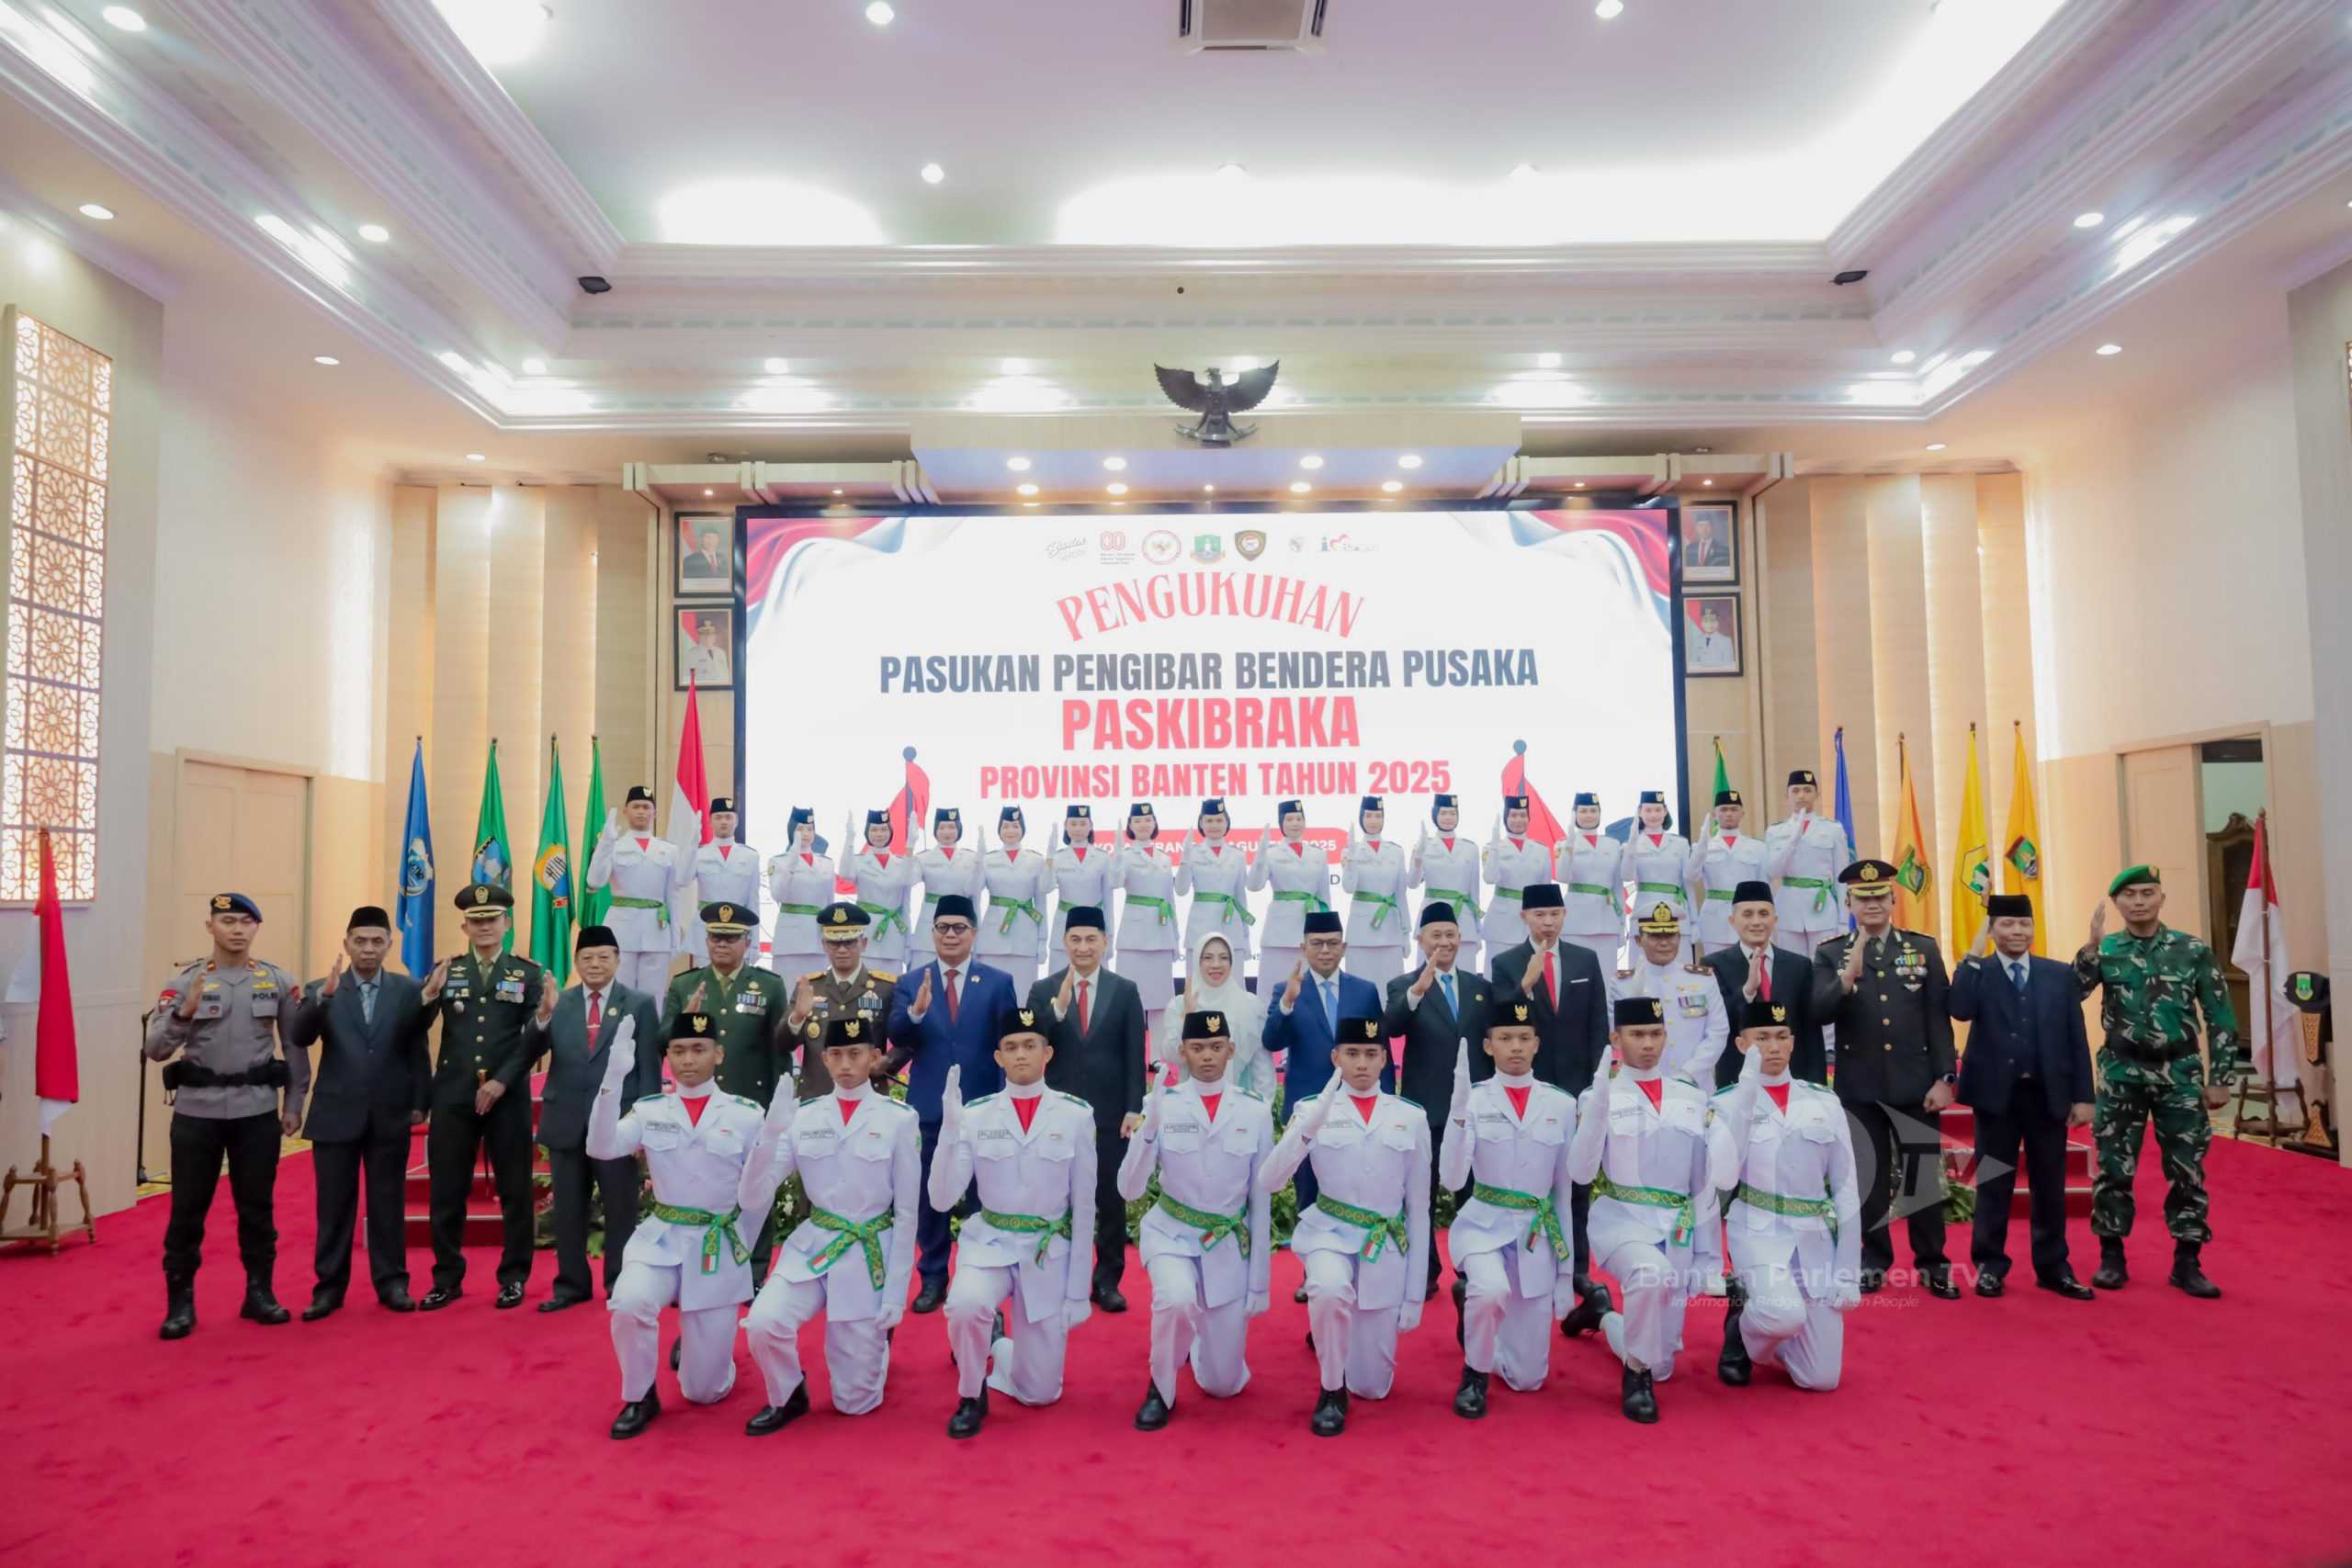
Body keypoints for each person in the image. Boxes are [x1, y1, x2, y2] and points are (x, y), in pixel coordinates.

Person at [739, 1015, 921, 1432]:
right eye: (836, 1055)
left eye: (855, 1054)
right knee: (764, 1323)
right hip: (814, 1247)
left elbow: (907, 1212)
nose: (845, 1064)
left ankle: (877, 1348)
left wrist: (896, 1293)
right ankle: (789, 1393)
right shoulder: (803, 1117)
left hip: (867, 1254)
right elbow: (752, 1196)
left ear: (874, 1057)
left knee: (855, 1402)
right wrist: (769, 1136)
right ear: (823, 1059)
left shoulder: (899, 1119)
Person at [592, 1011, 765, 1439]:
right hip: (663, 1238)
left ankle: (703, 1348)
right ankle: (640, 1394)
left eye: (699, 1049)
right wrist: (613, 1078)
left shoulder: (746, 1115)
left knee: (704, 1391)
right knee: (629, 1302)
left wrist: (742, 1249)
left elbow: (758, 1195)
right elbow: (601, 1146)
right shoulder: (650, 1110)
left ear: (718, 1054)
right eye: (679, 1050)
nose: (688, 1060)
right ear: (668, 1057)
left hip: (716, 1244)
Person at [146, 892, 311, 1338]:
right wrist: (184, 1013)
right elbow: (155, 1048)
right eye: (227, 921)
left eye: (245, 922)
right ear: (210, 927)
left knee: (257, 1209)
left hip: (255, 1111)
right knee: (187, 1210)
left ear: (256, 928)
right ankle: (180, 1304)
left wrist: (294, 1103)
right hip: (196, 1113)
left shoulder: (276, 980)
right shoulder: (185, 982)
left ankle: (260, 1294)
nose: (237, 930)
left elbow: (294, 1046)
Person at [1258, 1016, 1430, 1437]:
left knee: (1373, 1387)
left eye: (1371, 1054)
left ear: (1386, 1059)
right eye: (1352, 1053)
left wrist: (1414, 1295)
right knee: (1329, 1289)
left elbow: (1419, 1207)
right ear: (1336, 1057)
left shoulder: (1410, 1117)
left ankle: (1333, 1335)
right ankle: (1331, 1389)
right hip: (1329, 1233)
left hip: (1383, 1244)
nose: (1362, 1063)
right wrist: (1307, 1128)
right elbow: (1269, 1181)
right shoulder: (1312, 1109)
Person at [929, 1015, 1098, 1438]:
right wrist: (948, 1133)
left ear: (1048, 1053)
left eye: (1030, 1045)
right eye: (1011, 1047)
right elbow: (942, 1199)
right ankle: (972, 1393)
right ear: (998, 1057)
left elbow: (1084, 1206)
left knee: (1040, 1393)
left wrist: (1079, 1290)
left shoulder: (1076, 1115)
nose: (1021, 1054)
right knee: (965, 1305)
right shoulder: (975, 1115)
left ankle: (998, 1344)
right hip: (991, 1242)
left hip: (1045, 1251)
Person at [2075, 864, 2239, 1298]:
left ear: (2162, 898)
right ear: (2117, 903)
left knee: (2187, 1169)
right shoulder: (2107, 949)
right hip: (2121, 1072)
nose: (2139, 901)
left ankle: (2187, 1261)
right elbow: (2071, 993)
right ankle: (2111, 1256)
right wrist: (2089, 949)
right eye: (2130, 895)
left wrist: (2221, 1077)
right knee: (2113, 1167)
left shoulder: (2192, 949)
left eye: (2148, 893)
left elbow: (2220, 1014)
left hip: (2179, 1074)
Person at [1118, 1010, 1275, 1430]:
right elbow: (1129, 1190)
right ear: (1183, 1053)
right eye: (1198, 1047)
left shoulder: (1255, 1112)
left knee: (1224, 1384)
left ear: (1231, 1050)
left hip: (1225, 1242)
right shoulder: (1162, 1105)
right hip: (1171, 1233)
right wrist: (1147, 1132)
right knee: (1176, 1299)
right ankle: (1161, 1386)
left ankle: (1197, 1344)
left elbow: (1260, 1200)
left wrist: (1259, 1281)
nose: (1207, 1056)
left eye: (1216, 1047)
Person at [1568, 996, 1721, 1423]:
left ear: (1666, 1036)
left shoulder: (1691, 1097)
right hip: (1623, 1219)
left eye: (1655, 1033)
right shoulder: (1597, 1096)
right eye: (1637, 1034)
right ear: (1616, 1039)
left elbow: (1702, 1182)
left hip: (1677, 1227)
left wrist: (1709, 1256)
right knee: (1650, 1275)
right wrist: (1597, 1111)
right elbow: (1580, 1173)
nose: (1648, 1044)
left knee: (1663, 1361)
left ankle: (1602, 1316)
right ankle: (1636, 1378)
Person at [1812, 858, 1958, 1298]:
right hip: (1860, 1084)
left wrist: (1945, 1077)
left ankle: (1932, 1263)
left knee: (1923, 1178)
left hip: (1917, 1083)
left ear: (1893, 899)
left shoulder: (1922, 948)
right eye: (1863, 898)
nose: (1872, 904)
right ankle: (1874, 1261)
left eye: (1879, 896)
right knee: (1868, 1181)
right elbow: (1818, 1011)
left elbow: (1938, 1019)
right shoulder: (1830, 953)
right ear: (1849, 903)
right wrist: (1847, 977)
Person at [1710, 998, 1860, 1393]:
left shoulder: (1824, 1102)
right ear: (1742, 1044)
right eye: (1762, 1038)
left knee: (1821, 1379)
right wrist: (1745, 1096)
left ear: (1793, 1042)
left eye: (1781, 1037)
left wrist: (1847, 1272)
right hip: (1758, 1230)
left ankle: (1768, 1324)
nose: (1773, 1047)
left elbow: (1846, 1189)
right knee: (1784, 1316)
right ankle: (1744, 1331)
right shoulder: (1725, 1104)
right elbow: (1723, 1177)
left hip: (1814, 1237)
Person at [288, 904, 432, 1319]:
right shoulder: (322, 987)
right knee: (334, 1207)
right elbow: (300, 1035)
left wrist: (421, 1101)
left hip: (391, 1112)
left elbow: (418, 1049)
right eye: (360, 941)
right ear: (346, 943)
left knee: (388, 1203)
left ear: (389, 944)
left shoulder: (408, 990)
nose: (368, 949)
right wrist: (324, 999)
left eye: (377, 941)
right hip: (335, 1114)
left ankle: (392, 1283)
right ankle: (329, 1289)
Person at [1951, 894, 2095, 1300]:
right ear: (1992, 929)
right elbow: (1959, 1009)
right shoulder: (1979, 971)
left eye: (2024, 924)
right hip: (1996, 1096)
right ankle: (1989, 1266)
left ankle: (2053, 1266)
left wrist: (2084, 1095)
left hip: (2047, 1094)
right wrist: (1973, 952)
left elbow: (2076, 1036)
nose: (2017, 931)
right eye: (2007, 924)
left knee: (2050, 1184)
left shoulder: (2058, 974)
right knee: (1994, 1182)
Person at [422, 883, 557, 1312]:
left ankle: (514, 1277)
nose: (484, 927)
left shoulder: (527, 973)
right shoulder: (448, 970)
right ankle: (446, 1278)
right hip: (454, 1095)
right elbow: (416, 1025)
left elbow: (534, 1041)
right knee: (446, 1191)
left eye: (492, 919)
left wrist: (501, 1081)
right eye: (476, 920)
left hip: (507, 1095)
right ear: (465, 926)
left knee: (515, 1191)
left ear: (507, 923)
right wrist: (428, 996)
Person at [1439, 1004, 1577, 1418]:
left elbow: (1563, 1193)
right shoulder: (1474, 1099)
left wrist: (1566, 1276)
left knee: (1527, 1378)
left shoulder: (1561, 1104)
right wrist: (1457, 1116)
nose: (1515, 1047)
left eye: (1523, 1038)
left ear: (1536, 1044)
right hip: (1483, 1224)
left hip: (1536, 1234)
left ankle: (1475, 1321)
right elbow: (1452, 1180)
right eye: (1505, 1039)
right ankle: (1474, 1373)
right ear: (1489, 1046)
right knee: (1491, 1290)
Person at [884, 893, 1018, 1313]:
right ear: (933, 933)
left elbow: (1008, 1044)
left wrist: (1005, 1103)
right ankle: (933, 1277)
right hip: (930, 1107)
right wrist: (917, 1012)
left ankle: (980, 1273)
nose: (951, 935)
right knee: (931, 1197)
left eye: (959, 928)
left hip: (982, 1108)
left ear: (974, 933)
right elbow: (897, 1034)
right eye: (943, 928)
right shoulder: (912, 982)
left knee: (983, 1196)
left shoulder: (998, 982)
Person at [537, 924, 664, 1313]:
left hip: (618, 1123)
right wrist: (542, 1017)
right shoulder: (558, 1002)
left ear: (618, 960)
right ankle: (571, 1285)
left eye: (604, 957)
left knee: (621, 1208)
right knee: (568, 1209)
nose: (595, 964)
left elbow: (649, 1066)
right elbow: (531, 1050)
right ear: (576, 962)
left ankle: (620, 1284)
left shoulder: (639, 1003)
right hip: (566, 1119)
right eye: (587, 958)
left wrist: (644, 1123)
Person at [1029, 907, 1148, 1312]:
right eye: (1075, 939)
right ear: (1064, 943)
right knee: (1057, 1198)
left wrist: (1134, 1107)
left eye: (1091, 939)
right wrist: (1058, 1010)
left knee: (1110, 1201)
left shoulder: (1124, 990)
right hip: (1057, 1115)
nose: (1083, 947)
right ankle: (1059, 1275)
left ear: (1105, 942)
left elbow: (1134, 1054)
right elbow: (1031, 1046)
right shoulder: (1043, 990)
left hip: (1110, 1116)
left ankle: (1107, 1280)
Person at [662, 902, 789, 1279]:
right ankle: (696, 1269)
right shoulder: (685, 984)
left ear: (747, 942)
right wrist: (684, 1017)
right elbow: (660, 1040)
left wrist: (779, 1106)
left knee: (754, 1189)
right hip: (697, 1106)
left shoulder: (769, 985)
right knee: (698, 1187)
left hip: (750, 1103)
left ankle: (754, 1271)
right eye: (716, 937)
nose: (722, 944)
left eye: (731, 938)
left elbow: (779, 1049)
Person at [1613, 900, 1731, 1294]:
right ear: (1638, 938)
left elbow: (1718, 1032)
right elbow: (1614, 1037)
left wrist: (1686, 1077)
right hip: (1642, 1094)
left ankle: (1710, 1263)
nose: (1664, 942)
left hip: (1693, 1093)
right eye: (1655, 935)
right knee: (1651, 1172)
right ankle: (1651, 1248)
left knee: (1703, 1177)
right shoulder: (1623, 982)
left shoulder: (1702, 979)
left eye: (1671, 935)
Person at [1383, 903, 1494, 1296]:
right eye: (1436, 935)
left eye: (1450, 935)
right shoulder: (1403, 985)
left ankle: (1471, 1264)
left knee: (1473, 1194)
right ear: (1420, 940)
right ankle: (1425, 1270)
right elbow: (1392, 1027)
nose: (1444, 942)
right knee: (1422, 1196)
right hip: (1425, 1107)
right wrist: (1418, 991)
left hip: (1472, 1110)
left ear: (1460, 938)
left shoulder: (1481, 988)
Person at [1263, 909, 1388, 1235]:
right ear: (1303, 948)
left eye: (1333, 943)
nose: (1325, 950)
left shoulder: (1364, 991)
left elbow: (1380, 1048)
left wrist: (1387, 1102)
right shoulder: (1286, 989)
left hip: (1357, 1106)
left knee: (1357, 1187)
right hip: (1308, 1108)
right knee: (1309, 1195)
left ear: (1344, 948)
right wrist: (1287, 1003)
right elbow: (1271, 1040)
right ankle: (1312, 1262)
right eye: (1317, 943)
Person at [1487, 882, 1611, 1095]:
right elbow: (1501, 1019)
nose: (1548, 922)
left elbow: (1598, 1022)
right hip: (1531, 1075)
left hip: (1579, 1075)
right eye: (1539, 915)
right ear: (1524, 916)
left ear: (1565, 913)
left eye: (1555, 914)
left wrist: (1599, 1076)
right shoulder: (1505, 963)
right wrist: (1526, 984)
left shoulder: (1585, 959)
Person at [1703, 881, 1826, 1086]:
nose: (1756, 922)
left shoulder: (1799, 965)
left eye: (1763, 914)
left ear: (1775, 919)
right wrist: (1747, 991)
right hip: (1739, 1078)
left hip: (1792, 1079)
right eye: (1747, 914)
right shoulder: (1714, 965)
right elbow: (1718, 1023)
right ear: (1732, 921)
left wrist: (1817, 1084)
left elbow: (1810, 1032)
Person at [585, 785, 690, 995]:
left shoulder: (669, 850)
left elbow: (673, 895)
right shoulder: (614, 845)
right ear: (626, 811)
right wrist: (605, 844)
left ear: (654, 812)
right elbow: (595, 881)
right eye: (636, 806)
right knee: (620, 993)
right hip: (621, 929)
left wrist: (675, 936)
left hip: (656, 930)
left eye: (646, 807)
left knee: (653, 996)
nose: (641, 811)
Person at [782, 902, 894, 1097]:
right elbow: (782, 1044)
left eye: (850, 942)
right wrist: (797, 1017)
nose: (842, 950)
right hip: (817, 1096)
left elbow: (905, 1041)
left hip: (868, 1096)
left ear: (864, 943)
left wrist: (888, 1061)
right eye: (834, 943)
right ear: (824, 944)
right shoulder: (809, 987)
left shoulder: (885, 988)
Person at [1154, 931, 1272, 1099]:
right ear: (1197, 961)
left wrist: (1263, 1106)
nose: (1216, 965)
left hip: (1241, 1104)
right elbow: (1171, 1055)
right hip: (1191, 1104)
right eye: (1208, 958)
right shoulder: (1180, 1004)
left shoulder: (1251, 1005)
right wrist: (1187, 1016)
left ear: (1232, 962)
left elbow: (1262, 1066)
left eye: (1223, 958)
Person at [1763, 770, 1853, 959]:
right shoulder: (1776, 831)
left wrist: (1843, 920)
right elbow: (1771, 872)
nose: (1801, 795)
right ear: (1786, 795)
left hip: (1822, 908)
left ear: (1817, 794)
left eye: (1807, 790)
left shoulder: (1833, 829)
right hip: (1788, 908)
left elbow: (1842, 877)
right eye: (1795, 790)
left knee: (1823, 963)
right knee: (1791, 965)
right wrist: (1792, 842)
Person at [1251, 797, 1330, 987]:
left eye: (1299, 818)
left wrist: (1328, 931)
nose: (1295, 823)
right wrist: (1260, 857)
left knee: (1311, 986)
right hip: (1280, 931)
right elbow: (1254, 885)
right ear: (1281, 823)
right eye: (1289, 819)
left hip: (1311, 928)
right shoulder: (1271, 853)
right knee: (1275, 985)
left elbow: (1324, 896)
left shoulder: (1318, 854)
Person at [1113, 803, 1181, 1010]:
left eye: (1148, 819)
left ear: (1155, 823)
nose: (1143, 824)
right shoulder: (1125, 856)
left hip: (1161, 933)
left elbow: (1169, 899)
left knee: (1162, 1001)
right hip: (1134, 937)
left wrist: (1175, 937)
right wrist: (1116, 858)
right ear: (1130, 825)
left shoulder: (1165, 858)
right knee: (1129, 1001)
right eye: (1138, 820)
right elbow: (1115, 882)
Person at [1410, 793, 1487, 974]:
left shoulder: (1470, 848)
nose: (1448, 818)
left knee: (1465, 976)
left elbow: (1474, 892)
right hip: (1432, 916)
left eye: (1452, 813)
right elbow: (1412, 882)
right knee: (1430, 974)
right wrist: (1418, 856)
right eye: (1443, 813)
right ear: (1435, 814)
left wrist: (1477, 928)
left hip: (1464, 920)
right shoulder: (1424, 844)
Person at [1176, 796, 1255, 972]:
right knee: (1198, 981)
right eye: (1209, 821)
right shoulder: (1193, 852)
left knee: (1234, 982)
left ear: (1227, 823)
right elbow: (1181, 890)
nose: (1214, 825)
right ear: (1201, 823)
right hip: (1200, 926)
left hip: (1231, 926)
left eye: (1219, 820)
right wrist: (1185, 858)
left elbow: (1240, 898)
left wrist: (1245, 937)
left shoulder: (1237, 855)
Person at [978, 807, 1052, 993]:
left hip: (1025, 939)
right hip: (993, 939)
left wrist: (1042, 941)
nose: (1010, 831)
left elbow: (1041, 903)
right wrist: (978, 862)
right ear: (999, 830)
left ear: (1023, 829)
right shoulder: (988, 860)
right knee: (991, 995)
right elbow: (972, 891)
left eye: (1015, 826)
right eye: (1005, 826)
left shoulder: (1036, 860)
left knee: (1023, 995)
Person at [1339, 795, 1409, 986]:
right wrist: (1351, 861)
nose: (1373, 821)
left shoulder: (1396, 851)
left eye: (1378, 816)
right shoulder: (1350, 851)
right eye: (1368, 816)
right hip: (1361, 932)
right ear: (1361, 817)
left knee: (1392, 988)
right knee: (1360, 987)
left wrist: (1406, 932)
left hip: (1391, 930)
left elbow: (1400, 895)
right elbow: (1348, 887)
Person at [909, 807, 984, 977]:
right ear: (935, 830)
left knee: (958, 979)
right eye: (942, 827)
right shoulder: (923, 857)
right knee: (924, 978)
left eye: (952, 827)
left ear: (959, 829)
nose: (947, 832)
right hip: (929, 927)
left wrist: (979, 863)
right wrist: (910, 846)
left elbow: (975, 893)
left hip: (960, 925)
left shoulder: (971, 858)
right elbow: (907, 881)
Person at [1692, 788, 1768, 953]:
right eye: (1724, 809)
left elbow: (1764, 887)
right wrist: (1701, 848)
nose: (1729, 814)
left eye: (1734, 809)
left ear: (1742, 813)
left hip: (1748, 915)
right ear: (1714, 813)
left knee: (1750, 964)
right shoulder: (1702, 847)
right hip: (1714, 919)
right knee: (1715, 965)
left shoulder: (1758, 847)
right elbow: (1692, 876)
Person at [1555, 791, 1625, 965]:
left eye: (1593, 811)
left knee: (1607, 975)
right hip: (1576, 921)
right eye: (1583, 811)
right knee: (1576, 974)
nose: (1588, 815)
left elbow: (1617, 887)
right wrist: (1570, 846)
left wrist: (1621, 924)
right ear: (1574, 814)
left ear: (1600, 813)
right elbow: (1563, 877)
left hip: (1607, 920)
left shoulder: (1613, 845)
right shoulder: (1563, 844)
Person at [764, 807, 834, 982]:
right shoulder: (779, 861)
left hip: (818, 939)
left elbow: (829, 904)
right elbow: (778, 895)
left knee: (817, 991)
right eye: (800, 829)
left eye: (810, 829)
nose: (806, 834)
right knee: (788, 990)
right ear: (791, 831)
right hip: (790, 939)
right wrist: (792, 862)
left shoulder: (826, 863)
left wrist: (831, 937)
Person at [1481, 794, 1553, 965]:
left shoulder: (1541, 850)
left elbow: (1545, 891)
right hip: (1501, 922)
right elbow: (1490, 878)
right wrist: (1495, 848)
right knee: (1498, 972)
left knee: (1532, 972)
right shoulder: (1492, 847)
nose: (1518, 820)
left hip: (1532, 921)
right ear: (1506, 818)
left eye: (1523, 815)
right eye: (1513, 815)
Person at [688, 796, 761, 963]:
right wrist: (691, 846)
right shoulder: (699, 854)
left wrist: (755, 943)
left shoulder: (750, 856)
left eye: (728, 817)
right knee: (705, 977)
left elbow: (753, 902)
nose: (723, 822)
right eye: (718, 817)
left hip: (738, 929)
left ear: (736, 821)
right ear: (710, 821)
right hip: (706, 927)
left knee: (736, 978)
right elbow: (682, 880)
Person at [845, 807, 918, 972]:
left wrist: (910, 845)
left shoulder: (901, 862)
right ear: (867, 832)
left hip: (894, 934)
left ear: (891, 831)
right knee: (865, 984)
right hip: (867, 932)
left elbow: (907, 885)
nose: (879, 834)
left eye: (884, 829)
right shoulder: (859, 861)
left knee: (893, 983)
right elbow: (845, 874)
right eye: (874, 829)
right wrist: (849, 839)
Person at [1624, 792, 1693, 961]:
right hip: (1644, 910)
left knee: (1680, 967)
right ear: (1639, 812)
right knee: (1642, 966)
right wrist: (1631, 847)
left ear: (1665, 811)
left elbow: (1688, 884)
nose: (1653, 815)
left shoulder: (1680, 844)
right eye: (1648, 810)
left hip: (1676, 909)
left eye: (1657, 810)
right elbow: (1626, 876)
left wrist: (1695, 921)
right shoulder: (1631, 844)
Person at [1046, 805, 1112, 953]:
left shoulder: (1102, 857)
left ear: (1091, 825)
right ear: (1066, 825)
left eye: (1083, 824)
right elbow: (1046, 887)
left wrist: (1109, 935)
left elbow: (1108, 901)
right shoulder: (1057, 857)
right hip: (1065, 924)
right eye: (1073, 823)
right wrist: (1049, 857)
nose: (1078, 829)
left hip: (1094, 925)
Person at [1689, 604, 1735, 670]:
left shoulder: (1726, 641)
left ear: (1717, 623)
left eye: (1713, 620)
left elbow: (1729, 667)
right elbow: (1693, 666)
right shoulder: (1696, 641)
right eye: (1706, 621)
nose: (1709, 624)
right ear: (1701, 623)